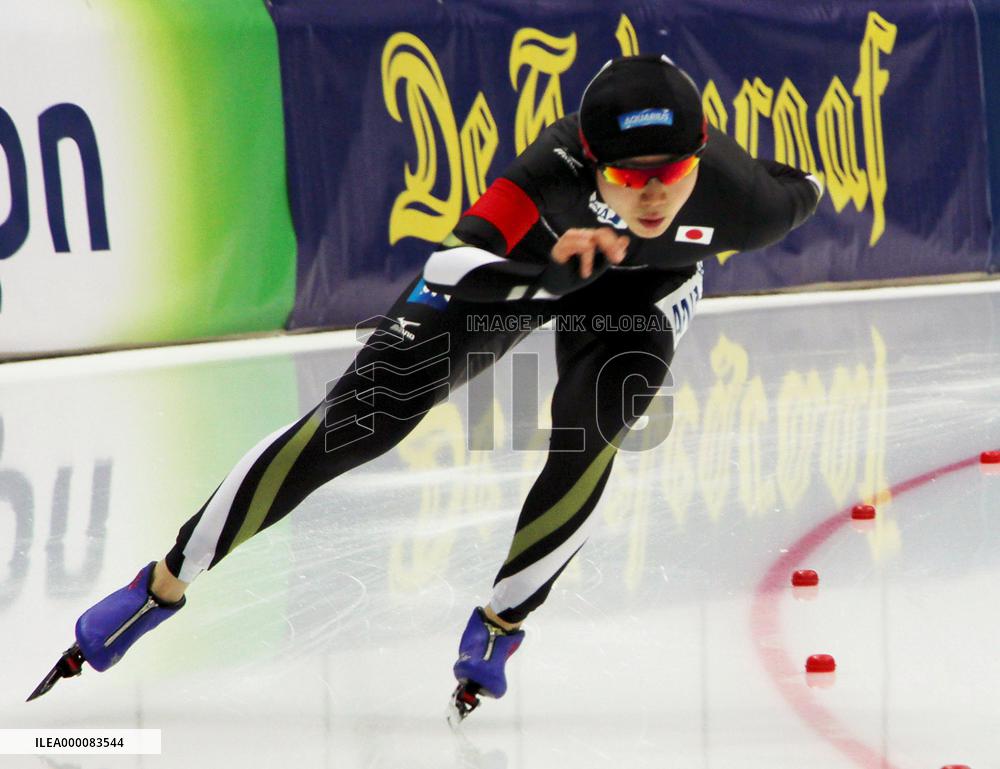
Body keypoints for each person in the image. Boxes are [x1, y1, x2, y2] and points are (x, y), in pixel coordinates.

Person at [30, 55, 823, 719]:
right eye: (628, 175)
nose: (653, 195)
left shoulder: (742, 203)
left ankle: (503, 622)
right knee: (359, 417)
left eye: (673, 172)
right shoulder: (544, 177)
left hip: (641, 295)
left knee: (594, 426)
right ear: (590, 160)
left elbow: (803, 189)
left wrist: (787, 189)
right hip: (522, 277)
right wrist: (543, 272)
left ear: (702, 153)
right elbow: (453, 267)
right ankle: (159, 585)